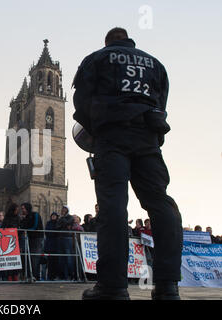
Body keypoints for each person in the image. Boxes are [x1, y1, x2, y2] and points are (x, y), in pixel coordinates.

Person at [73, 27, 183, 300]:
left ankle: (112, 287)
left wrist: (96, 128)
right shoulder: (155, 63)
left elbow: (81, 101)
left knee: (113, 207)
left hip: (111, 137)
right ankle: (168, 286)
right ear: (129, 41)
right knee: (161, 204)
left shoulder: (96, 59)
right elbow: (162, 100)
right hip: (147, 138)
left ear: (108, 42)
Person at [20, 203, 44, 281]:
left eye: (23, 208)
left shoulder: (35, 214)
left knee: (35, 257)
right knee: (29, 257)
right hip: (29, 238)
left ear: (27, 208)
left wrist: (27, 230)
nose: (22, 210)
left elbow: (35, 226)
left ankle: (35, 276)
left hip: (37, 238)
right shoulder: (25, 217)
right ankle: (30, 275)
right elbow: (23, 226)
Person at [1, 203, 21, 281]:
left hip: (16, 239)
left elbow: (20, 227)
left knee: (15, 258)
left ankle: (15, 275)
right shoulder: (7, 217)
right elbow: (3, 227)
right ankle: (9, 275)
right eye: (16, 210)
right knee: (9, 258)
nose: (17, 211)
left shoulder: (18, 218)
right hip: (8, 239)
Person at [44, 212, 60, 280]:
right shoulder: (48, 223)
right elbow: (47, 232)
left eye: (54, 216)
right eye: (52, 216)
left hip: (56, 243)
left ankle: (55, 275)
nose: (53, 217)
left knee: (56, 261)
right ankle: (49, 276)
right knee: (50, 261)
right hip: (50, 243)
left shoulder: (58, 223)